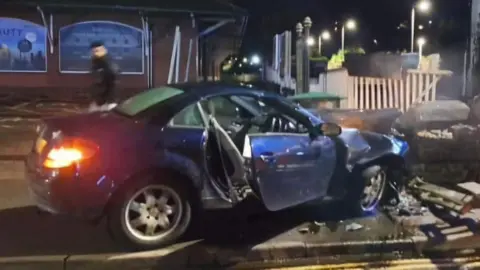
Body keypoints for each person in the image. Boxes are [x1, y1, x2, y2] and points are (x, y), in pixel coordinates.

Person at [89, 41, 118, 112]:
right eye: (93, 51)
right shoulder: (97, 61)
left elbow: (111, 82)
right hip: (101, 100)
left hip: (108, 101)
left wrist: (106, 100)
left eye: (96, 51)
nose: (94, 53)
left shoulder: (107, 62)